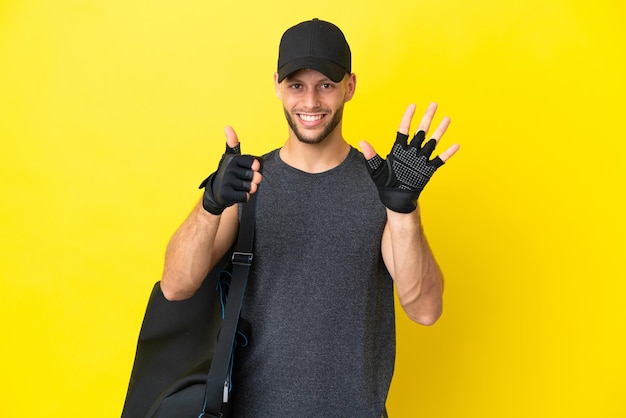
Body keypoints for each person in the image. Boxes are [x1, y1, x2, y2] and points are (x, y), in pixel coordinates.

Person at [160, 18, 459, 417]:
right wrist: (210, 203)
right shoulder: (245, 184)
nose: (311, 102)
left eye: (326, 85)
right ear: (277, 86)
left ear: (350, 86)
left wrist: (404, 213)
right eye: (297, 85)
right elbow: (176, 286)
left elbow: (425, 310)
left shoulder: (382, 187)